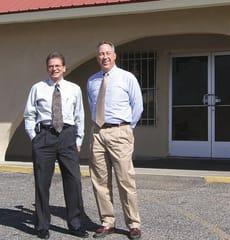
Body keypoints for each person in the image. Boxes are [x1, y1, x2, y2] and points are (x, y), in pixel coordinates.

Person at [24, 51, 89, 239]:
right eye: (51, 66)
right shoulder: (37, 88)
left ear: (64, 68)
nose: (54, 69)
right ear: (47, 68)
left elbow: (80, 116)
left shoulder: (74, 89)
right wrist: (34, 138)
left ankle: (75, 224)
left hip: (68, 136)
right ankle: (42, 225)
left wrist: (79, 140)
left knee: (74, 181)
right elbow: (29, 114)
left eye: (57, 65)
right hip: (44, 136)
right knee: (42, 183)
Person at [87, 41, 143, 239]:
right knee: (100, 180)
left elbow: (138, 106)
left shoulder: (127, 78)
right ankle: (107, 221)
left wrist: (127, 129)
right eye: (101, 53)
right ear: (97, 57)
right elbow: (92, 105)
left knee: (125, 180)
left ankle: (133, 224)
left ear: (115, 55)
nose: (105, 56)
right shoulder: (92, 80)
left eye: (108, 53)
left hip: (120, 132)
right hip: (98, 133)